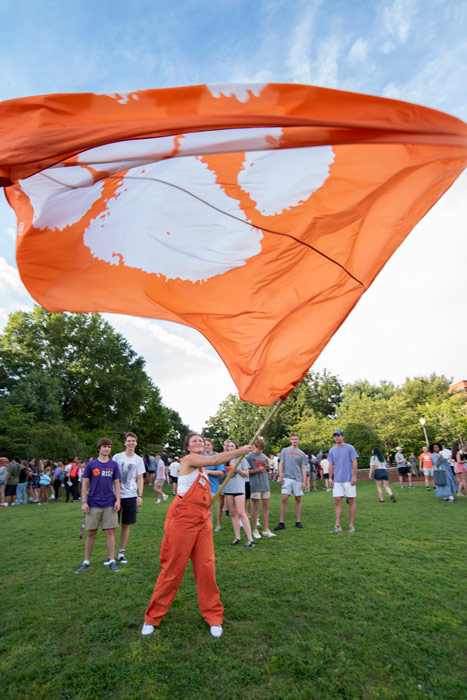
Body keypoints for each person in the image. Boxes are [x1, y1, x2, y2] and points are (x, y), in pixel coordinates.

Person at [142, 432, 254, 638]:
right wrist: (242, 450)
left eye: (201, 441)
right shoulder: (189, 460)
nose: (198, 443)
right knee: (173, 569)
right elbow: (215, 459)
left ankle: (213, 616)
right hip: (182, 521)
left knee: (206, 568)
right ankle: (152, 617)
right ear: (187, 447)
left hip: (202, 522)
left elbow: (210, 477)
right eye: (194, 441)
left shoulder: (203, 471)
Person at [75, 438, 121, 574]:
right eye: (104, 446)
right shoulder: (91, 465)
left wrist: (118, 500)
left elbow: (117, 483)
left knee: (109, 532)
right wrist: (84, 502)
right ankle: (86, 561)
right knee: (91, 533)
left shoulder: (114, 465)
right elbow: (85, 484)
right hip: (93, 503)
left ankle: (112, 560)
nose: (107, 449)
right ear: (99, 448)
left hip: (109, 503)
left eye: (109, 447)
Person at [110, 432, 145, 566]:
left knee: (126, 524)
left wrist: (140, 495)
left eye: (133, 441)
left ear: (136, 443)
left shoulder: (138, 460)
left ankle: (121, 552)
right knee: (113, 525)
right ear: (125, 443)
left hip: (131, 495)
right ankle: (111, 554)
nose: (131, 443)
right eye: (129, 441)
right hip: (115, 496)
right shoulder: (117, 457)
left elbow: (140, 478)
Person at [223, 440, 255, 547]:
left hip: (239, 488)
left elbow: (246, 474)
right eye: (229, 446)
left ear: (236, 448)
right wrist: (227, 475)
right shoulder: (225, 459)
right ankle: (237, 537)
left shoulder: (241, 458)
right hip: (228, 488)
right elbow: (222, 475)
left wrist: (237, 469)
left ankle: (250, 539)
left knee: (241, 512)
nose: (230, 448)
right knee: (233, 513)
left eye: (232, 446)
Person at [274, 433, 307, 531]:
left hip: (297, 478)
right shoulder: (285, 450)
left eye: (296, 439)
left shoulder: (301, 453)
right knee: (284, 498)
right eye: (292, 439)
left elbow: (303, 468)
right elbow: (281, 463)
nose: (294, 441)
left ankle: (298, 521)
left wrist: (304, 481)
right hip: (287, 478)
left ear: (298, 440)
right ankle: (281, 522)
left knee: (298, 499)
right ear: (290, 440)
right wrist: (280, 475)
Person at [328, 430, 358, 533]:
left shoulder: (350, 448)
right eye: (335, 436)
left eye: (338, 436)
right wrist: (330, 478)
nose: (337, 438)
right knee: (337, 501)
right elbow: (331, 464)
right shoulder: (332, 450)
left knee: (351, 500)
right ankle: (337, 526)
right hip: (337, 480)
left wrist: (354, 476)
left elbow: (354, 462)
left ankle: (351, 525)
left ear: (342, 437)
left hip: (349, 479)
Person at [245, 438, 276, 539]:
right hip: (255, 485)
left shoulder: (263, 456)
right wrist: (257, 470)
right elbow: (247, 471)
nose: (260, 451)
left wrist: (267, 463)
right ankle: (255, 530)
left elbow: (268, 470)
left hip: (265, 484)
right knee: (256, 507)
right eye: (259, 449)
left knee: (266, 506)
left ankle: (266, 529)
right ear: (255, 446)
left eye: (262, 449)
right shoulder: (249, 457)